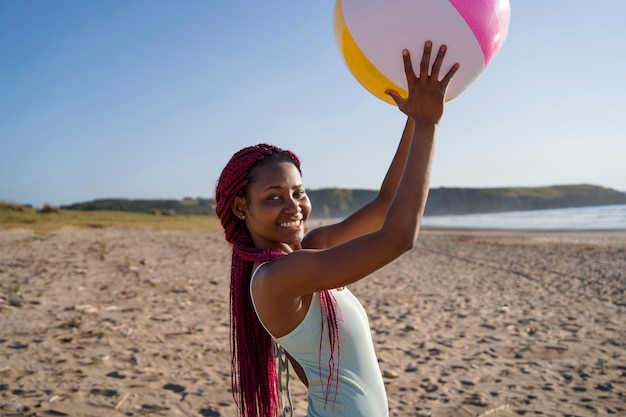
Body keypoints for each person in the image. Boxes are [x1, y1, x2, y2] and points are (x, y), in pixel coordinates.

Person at [215, 41, 459, 417]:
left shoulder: (311, 250)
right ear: (241, 207)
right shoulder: (275, 279)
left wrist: (413, 118)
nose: (294, 206)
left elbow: (385, 203)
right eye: (274, 197)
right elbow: (397, 237)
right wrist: (429, 125)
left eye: (298, 192)